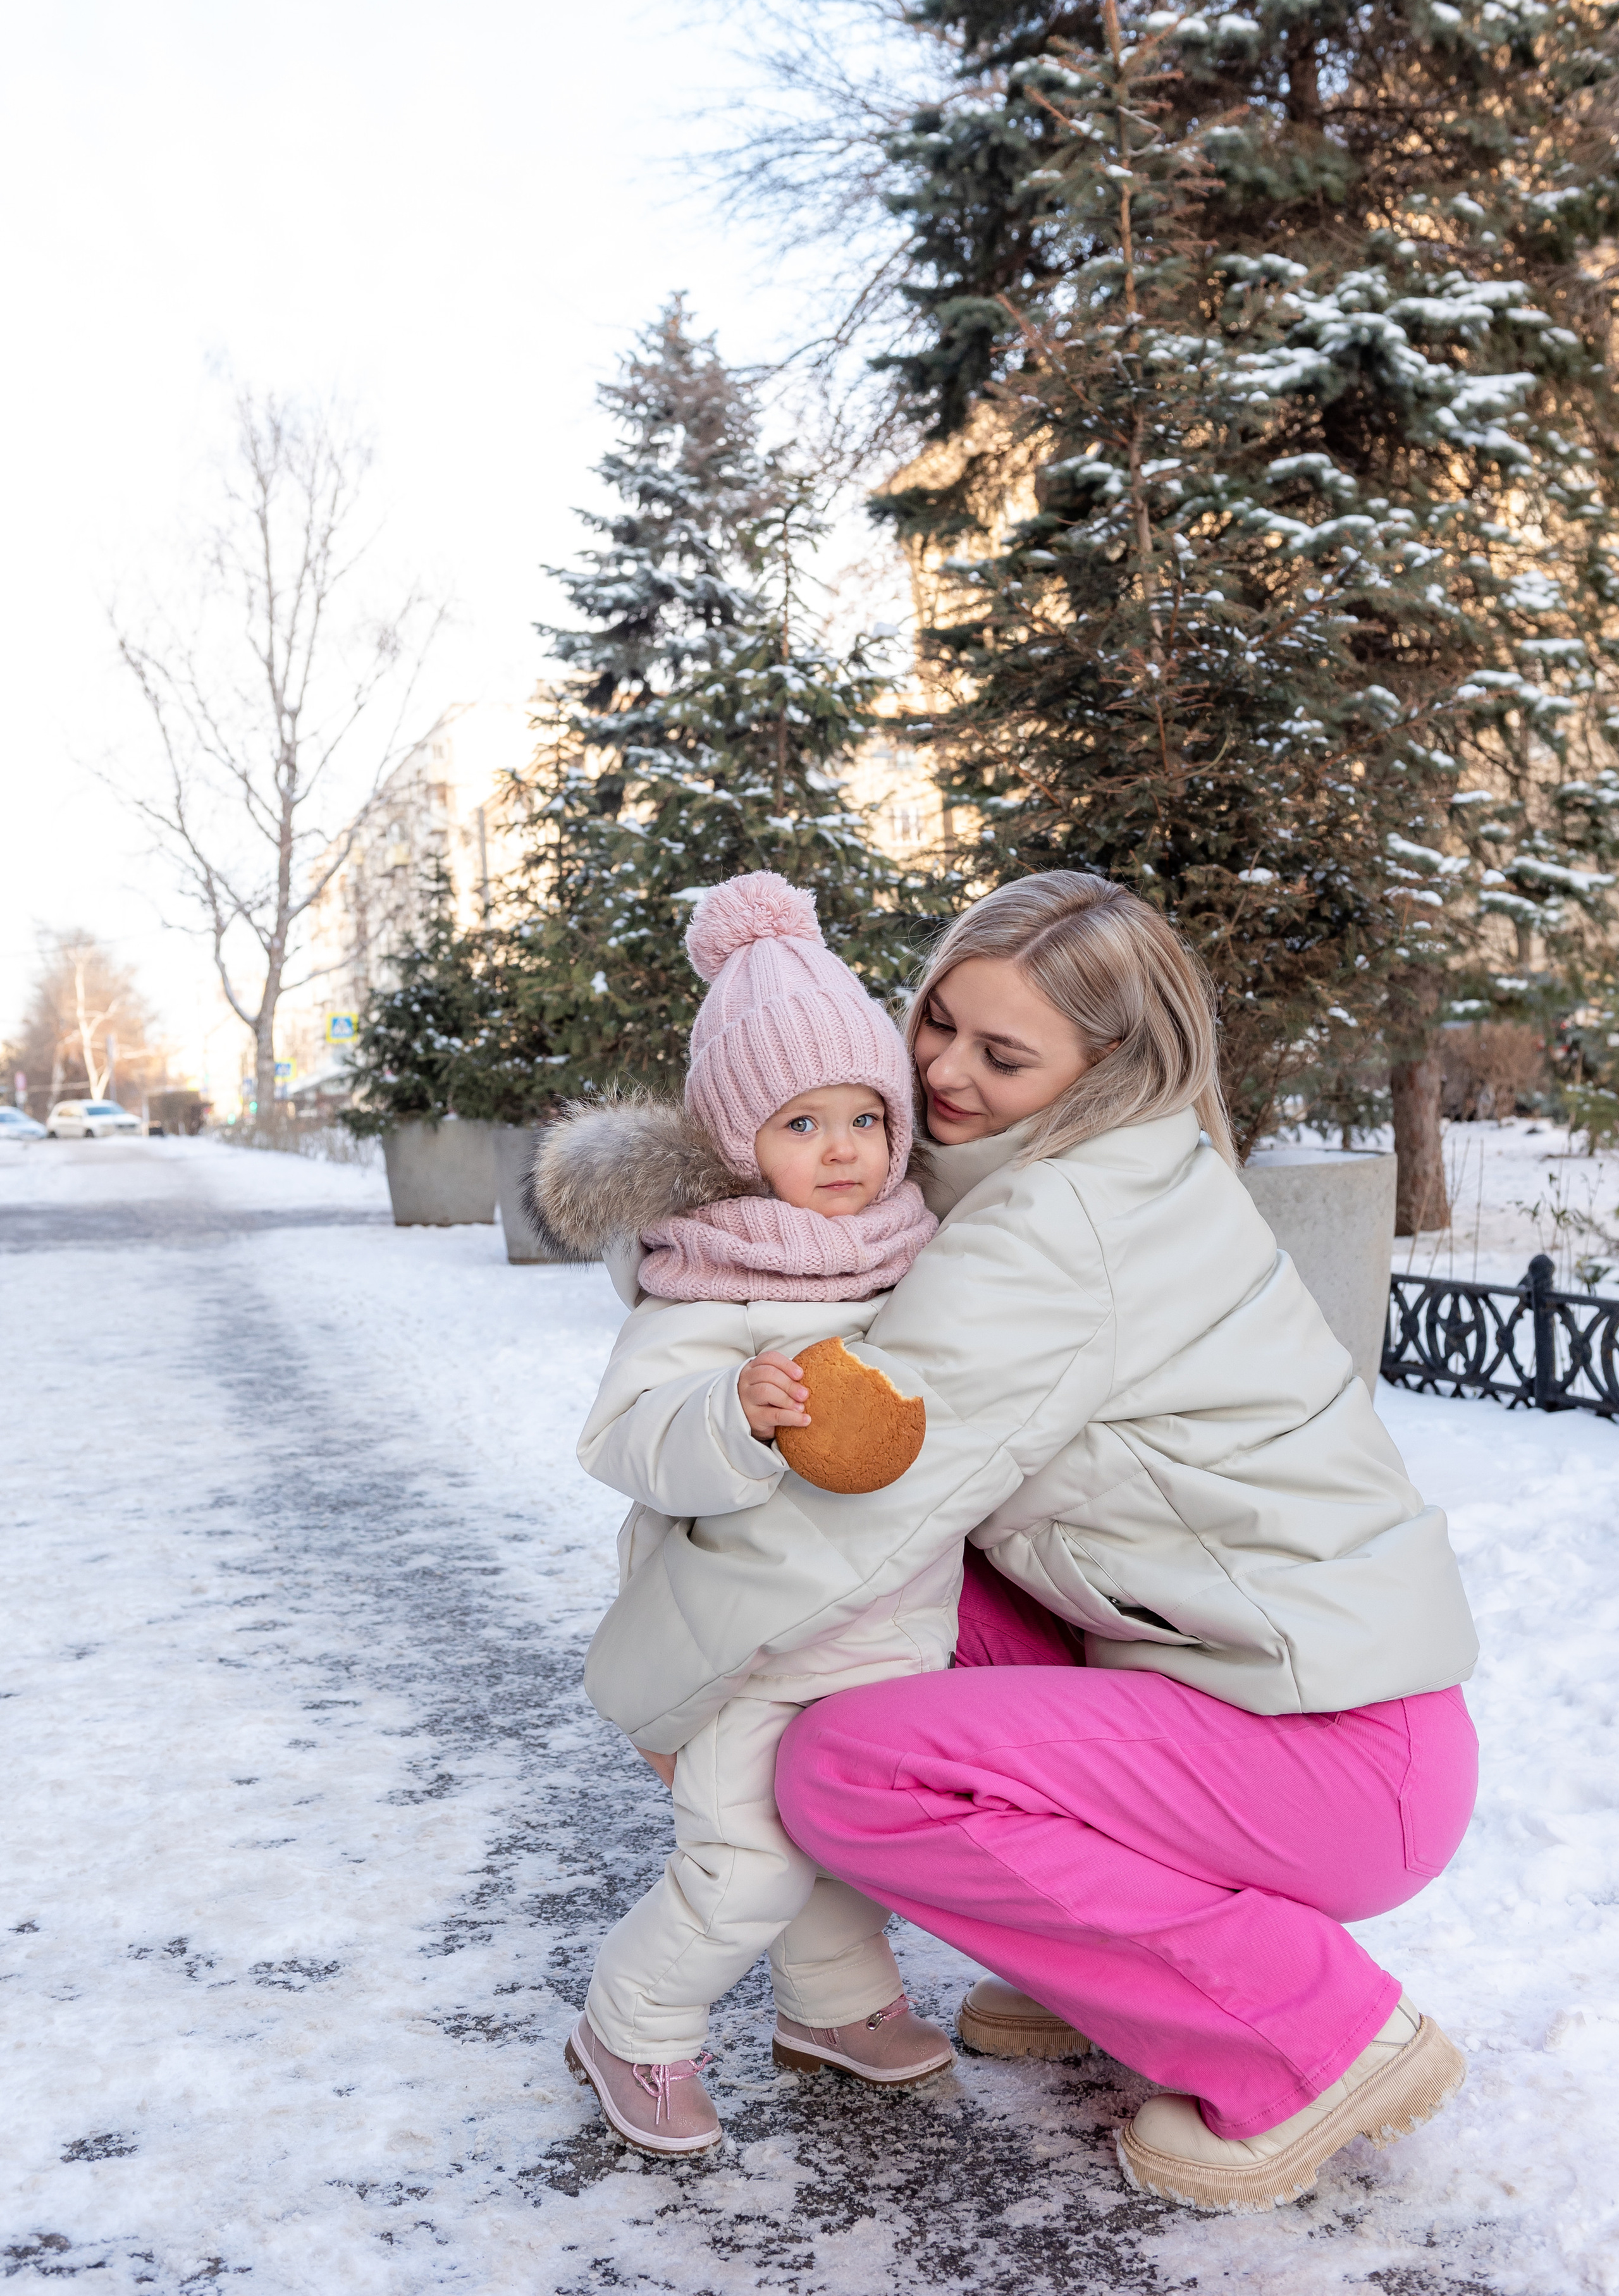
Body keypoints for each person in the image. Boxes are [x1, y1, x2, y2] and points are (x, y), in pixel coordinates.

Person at [588, 871, 1480, 2214]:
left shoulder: (1057, 1228)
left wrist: (657, 1688)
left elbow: (856, 1508)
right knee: (884, 1638)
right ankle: (1106, 1970)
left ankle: (1315, 2042)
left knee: (844, 1759)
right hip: (1237, 1686)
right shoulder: (1078, 1166)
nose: (941, 1069)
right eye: (936, 1023)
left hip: (1334, 1752)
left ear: (1107, 1064)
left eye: (1000, 1055)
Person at [534, 871, 960, 2159]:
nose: (840, 1151)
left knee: (830, 1833)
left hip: (884, 1622)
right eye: (798, 1122)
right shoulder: (708, 1278)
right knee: (745, 1861)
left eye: (864, 1118)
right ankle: (632, 2025)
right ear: (736, 1140)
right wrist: (732, 1411)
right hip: (744, 1638)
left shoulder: (915, 1249)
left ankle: (835, 2005)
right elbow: (622, 1439)